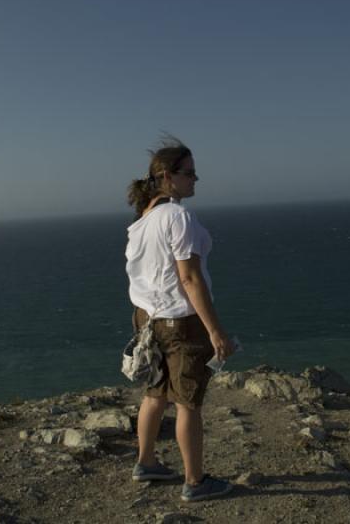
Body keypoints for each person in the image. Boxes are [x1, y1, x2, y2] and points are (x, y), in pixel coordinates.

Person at [125, 137, 236, 502]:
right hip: (181, 322)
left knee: (155, 393)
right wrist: (215, 330)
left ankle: (146, 462)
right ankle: (196, 482)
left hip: (147, 319)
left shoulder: (142, 222)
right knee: (188, 402)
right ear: (166, 177)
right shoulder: (178, 217)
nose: (195, 180)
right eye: (189, 174)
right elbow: (189, 278)